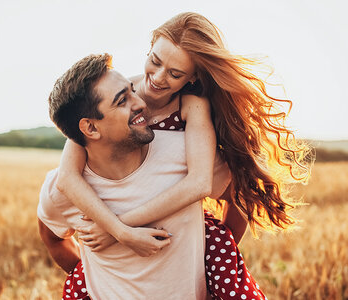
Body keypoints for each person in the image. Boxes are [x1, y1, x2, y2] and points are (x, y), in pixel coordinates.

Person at [52, 12, 309, 300]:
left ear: (194, 76)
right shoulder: (115, 100)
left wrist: (119, 229)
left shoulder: (192, 106)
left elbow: (200, 183)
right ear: (149, 48)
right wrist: (119, 233)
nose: (158, 78)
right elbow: (67, 177)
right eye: (155, 61)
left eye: (175, 74)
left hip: (181, 229)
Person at [39, 54, 267, 300]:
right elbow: (52, 237)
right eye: (121, 101)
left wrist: (215, 258)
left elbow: (241, 195)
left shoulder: (184, 155)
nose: (140, 103)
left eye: (132, 91)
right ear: (91, 128)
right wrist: (87, 277)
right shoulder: (63, 188)